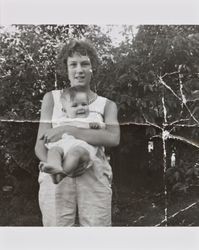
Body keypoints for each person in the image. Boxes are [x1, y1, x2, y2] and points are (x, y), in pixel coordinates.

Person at [35, 39, 120, 226]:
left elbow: (113, 138)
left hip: (93, 173)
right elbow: (40, 145)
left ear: (93, 67)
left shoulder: (107, 105)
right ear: (65, 68)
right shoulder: (52, 99)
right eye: (73, 64)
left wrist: (68, 129)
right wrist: (58, 165)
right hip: (54, 176)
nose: (79, 70)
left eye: (85, 63)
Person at [39, 85, 106, 184]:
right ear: (65, 110)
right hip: (63, 146)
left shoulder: (91, 118)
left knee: (75, 153)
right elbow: (52, 134)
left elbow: (103, 130)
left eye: (84, 104)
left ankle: (62, 174)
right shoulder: (62, 120)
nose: (81, 108)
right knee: (53, 151)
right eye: (75, 105)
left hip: (82, 148)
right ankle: (55, 166)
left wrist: (97, 126)